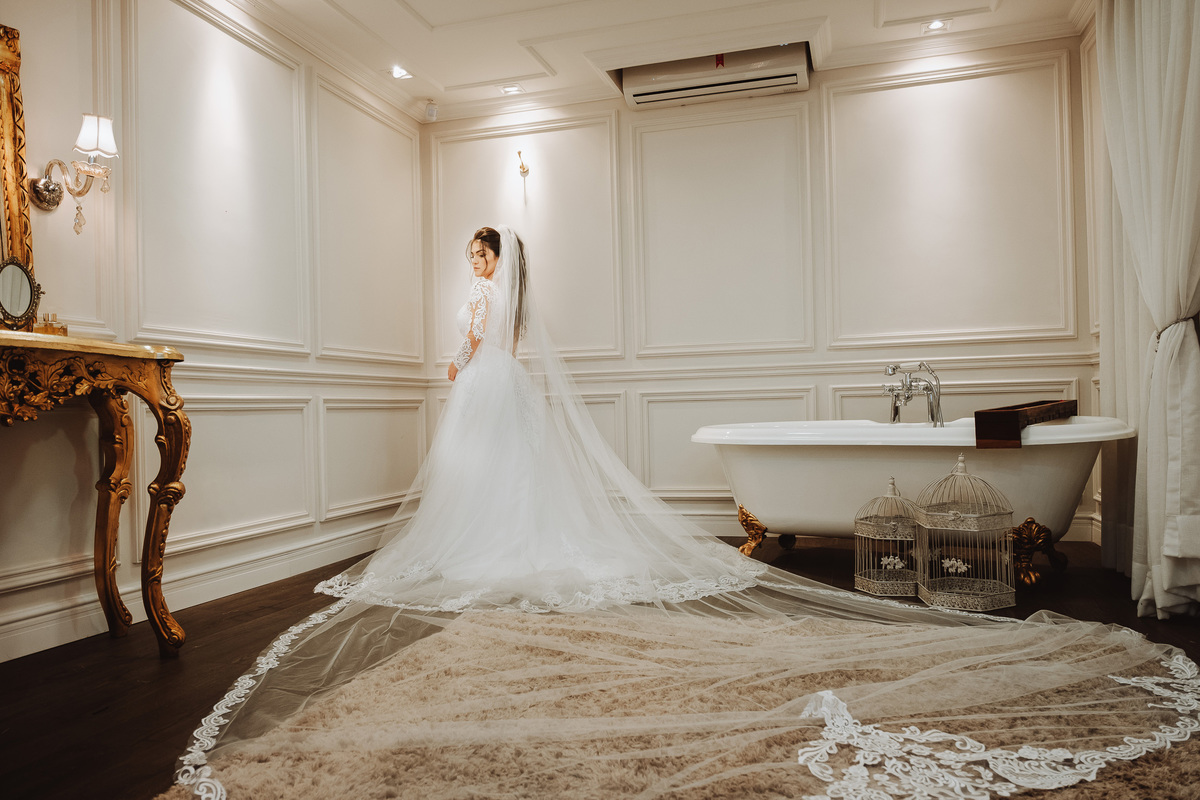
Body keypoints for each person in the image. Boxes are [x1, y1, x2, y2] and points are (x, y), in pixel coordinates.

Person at [171, 225, 1199, 800]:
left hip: (483, 389)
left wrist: (455, 359)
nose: (473, 265)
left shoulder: (484, 301)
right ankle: (504, 541)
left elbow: (473, 347)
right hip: (504, 390)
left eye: (479, 253)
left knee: (483, 485)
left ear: (491, 259)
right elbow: (502, 344)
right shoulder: (517, 304)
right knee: (506, 484)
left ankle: (491, 546)